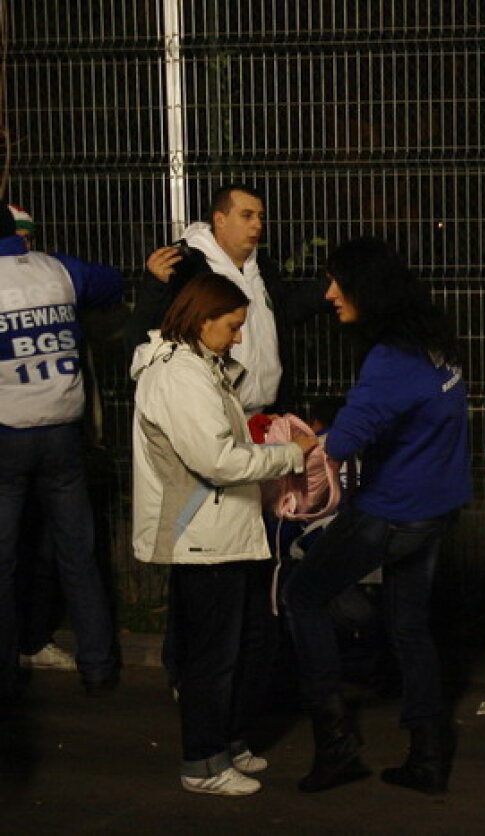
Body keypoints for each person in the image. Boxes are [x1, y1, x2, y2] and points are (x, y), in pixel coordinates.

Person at [282, 237, 471, 795]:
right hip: (438, 506)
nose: (329, 293)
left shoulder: (389, 360)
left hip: (394, 512)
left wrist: (320, 432)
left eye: (337, 282)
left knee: (302, 595)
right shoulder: (432, 340)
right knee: (409, 625)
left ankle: (335, 744)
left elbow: (344, 442)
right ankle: (428, 757)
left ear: (368, 288)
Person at [130, 272, 317, 796]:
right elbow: (217, 460)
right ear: (201, 319)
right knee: (212, 656)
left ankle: (224, 745)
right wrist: (289, 454)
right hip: (200, 534)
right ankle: (202, 763)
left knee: (238, 645)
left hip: (218, 529)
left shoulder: (198, 367)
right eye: (232, 326)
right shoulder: (179, 376)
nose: (238, 338)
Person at [0, 204, 121, 712]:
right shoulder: (57, 270)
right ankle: (98, 667)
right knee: (78, 554)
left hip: (7, 433)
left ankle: (7, 678)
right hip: (64, 434)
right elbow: (111, 283)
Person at [124, 183, 327, 414]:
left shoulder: (264, 269)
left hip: (265, 414)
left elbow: (286, 311)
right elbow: (142, 336)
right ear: (220, 219)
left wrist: (332, 287)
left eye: (260, 216)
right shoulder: (186, 270)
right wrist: (155, 286)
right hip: (210, 414)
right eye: (247, 215)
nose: (257, 224)